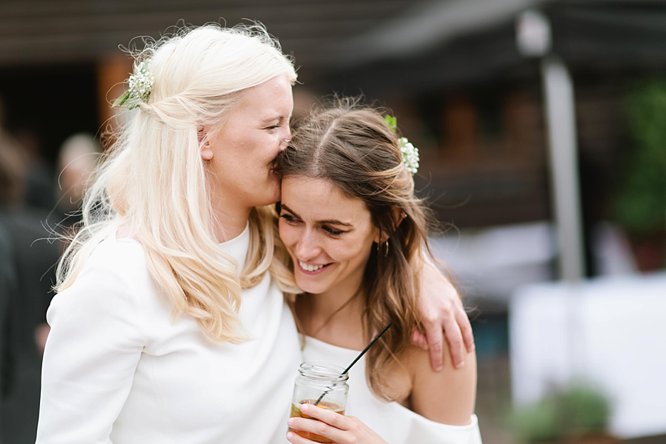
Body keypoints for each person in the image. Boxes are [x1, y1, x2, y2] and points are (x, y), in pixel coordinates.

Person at [37, 23, 473, 443]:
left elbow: (357, 230)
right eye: (272, 125)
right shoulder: (120, 278)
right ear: (203, 137)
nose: (290, 142)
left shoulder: (274, 241)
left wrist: (418, 270)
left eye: (289, 122)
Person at [278, 101, 481, 443]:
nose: (305, 248)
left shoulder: (429, 336)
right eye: (290, 217)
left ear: (385, 225)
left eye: (333, 230)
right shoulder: (262, 282)